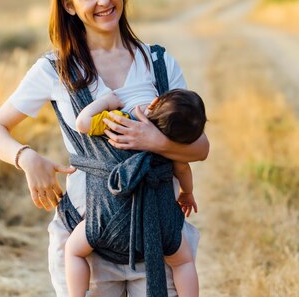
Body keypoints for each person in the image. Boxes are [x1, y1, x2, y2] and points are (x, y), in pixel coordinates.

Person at [0, 0, 209, 297]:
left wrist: (154, 142)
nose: (103, 0)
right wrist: (26, 158)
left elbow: (201, 148)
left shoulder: (159, 63)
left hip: (158, 240)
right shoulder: (55, 69)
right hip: (88, 242)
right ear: (70, 6)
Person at [66, 88, 205, 297]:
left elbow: (82, 123)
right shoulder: (169, 145)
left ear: (154, 102)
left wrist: (104, 102)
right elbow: (183, 169)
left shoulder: (121, 123)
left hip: (107, 220)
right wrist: (187, 193)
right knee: (183, 262)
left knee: (73, 251)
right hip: (160, 226)